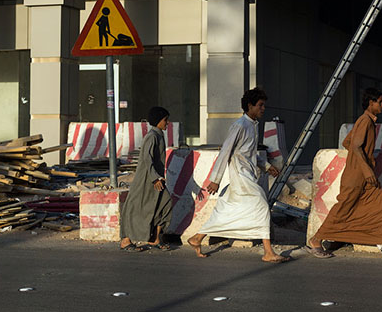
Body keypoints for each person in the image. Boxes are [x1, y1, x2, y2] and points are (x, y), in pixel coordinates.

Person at [307, 88, 382, 259]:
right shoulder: (365, 121)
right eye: (380, 102)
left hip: (363, 174)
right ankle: (315, 240)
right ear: (371, 103)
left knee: (381, 206)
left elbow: (347, 141)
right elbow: (355, 145)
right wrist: (365, 169)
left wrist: (362, 161)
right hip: (358, 176)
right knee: (343, 208)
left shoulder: (366, 121)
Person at [186, 88, 290, 263]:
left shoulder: (252, 126)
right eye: (260, 105)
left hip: (248, 173)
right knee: (263, 207)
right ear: (250, 106)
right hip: (240, 176)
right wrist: (215, 180)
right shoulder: (240, 125)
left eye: (264, 105)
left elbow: (249, 153)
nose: (263, 108)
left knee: (226, 209)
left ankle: (197, 238)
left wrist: (266, 166)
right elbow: (226, 151)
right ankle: (268, 252)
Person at [119, 106, 173, 251]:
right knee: (134, 206)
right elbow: (147, 159)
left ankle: (155, 239)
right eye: (165, 120)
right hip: (146, 178)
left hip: (156, 178)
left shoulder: (159, 135)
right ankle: (126, 239)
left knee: (165, 203)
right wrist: (155, 178)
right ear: (157, 121)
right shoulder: (152, 136)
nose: (167, 123)